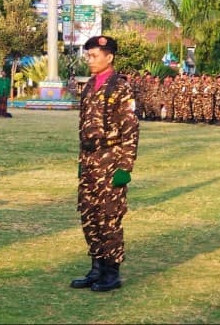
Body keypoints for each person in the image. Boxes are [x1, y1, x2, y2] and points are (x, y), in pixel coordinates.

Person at [71, 35, 139, 292]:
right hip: (90, 159)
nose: (90, 60)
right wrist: (82, 160)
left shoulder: (120, 87)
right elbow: (83, 126)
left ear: (109, 57)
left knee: (109, 216)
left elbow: (130, 129)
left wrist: (125, 167)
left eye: (94, 56)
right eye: (88, 56)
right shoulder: (89, 86)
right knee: (89, 214)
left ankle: (111, 272)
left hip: (111, 158)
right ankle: (96, 267)